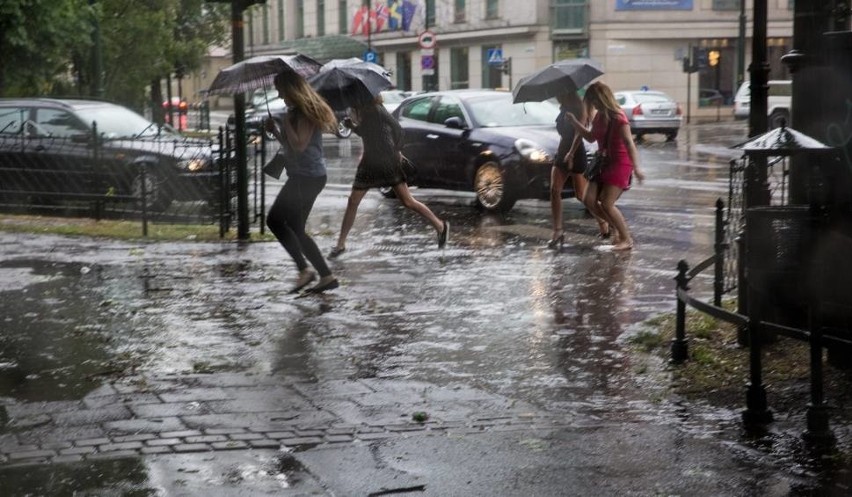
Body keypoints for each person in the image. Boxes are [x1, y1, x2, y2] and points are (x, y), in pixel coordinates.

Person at [327, 95, 449, 259]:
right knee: (353, 201)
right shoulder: (363, 111)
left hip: (386, 160)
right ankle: (341, 244)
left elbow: (397, 128)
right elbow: (367, 132)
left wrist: (398, 151)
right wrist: (353, 126)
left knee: (407, 201)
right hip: (369, 161)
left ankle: (440, 226)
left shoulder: (377, 110)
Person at [264, 70, 340, 293]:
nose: (279, 95)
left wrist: (285, 122)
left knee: (275, 220)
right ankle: (325, 276)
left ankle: (305, 270)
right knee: (295, 227)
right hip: (305, 176)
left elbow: (299, 145)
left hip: (307, 177)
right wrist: (275, 131)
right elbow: (291, 148)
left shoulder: (304, 113)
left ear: (290, 89)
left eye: (280, 90)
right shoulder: (296, 112)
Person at [565, 81, 645, 251]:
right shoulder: (600, 116)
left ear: (602, 99)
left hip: (619, 163)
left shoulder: (618, 117)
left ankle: (626, 239)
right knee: (588, 199)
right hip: (603, 163)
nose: (593, 105)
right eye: (591, 102)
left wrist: (637, 168)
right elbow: (590, 137)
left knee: (607, 203)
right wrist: (574, 122)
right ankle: (616, 226)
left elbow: (629, 144)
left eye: (594, 101)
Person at [549, 89, 592, 248]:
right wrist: (563, 152)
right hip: (562, 151)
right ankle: (557, 231)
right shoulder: (563, 108)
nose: (556, 95)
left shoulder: (580, 107)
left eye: (558, 92)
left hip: (575, 151)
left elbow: (579, 134)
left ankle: (605, 222)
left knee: (582, 195)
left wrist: (571, 154)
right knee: (554, 190)